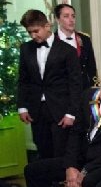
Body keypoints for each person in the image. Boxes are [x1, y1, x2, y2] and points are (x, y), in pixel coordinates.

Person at [17, 9, 82, 159]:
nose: (33, 36)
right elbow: (23, 79)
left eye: (36, 31)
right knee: (42, 148)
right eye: (29, 32)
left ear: (47, 26)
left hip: (61, 109)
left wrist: (71, 113)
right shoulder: (26, 49)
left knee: (61, 150)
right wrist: (22, 106)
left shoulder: (68, 50)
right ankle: (47, 182)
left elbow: (75, 84)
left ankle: (62, 181)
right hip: (37, 109)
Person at [53, 4, 98, 91]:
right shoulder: (52, 40)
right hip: (60, 92)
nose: (71, 20)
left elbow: (91, 67)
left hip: (83, 90)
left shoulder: (84, 39)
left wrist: (93, 89)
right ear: (57, 19)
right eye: (66, 16)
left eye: (73, 16)